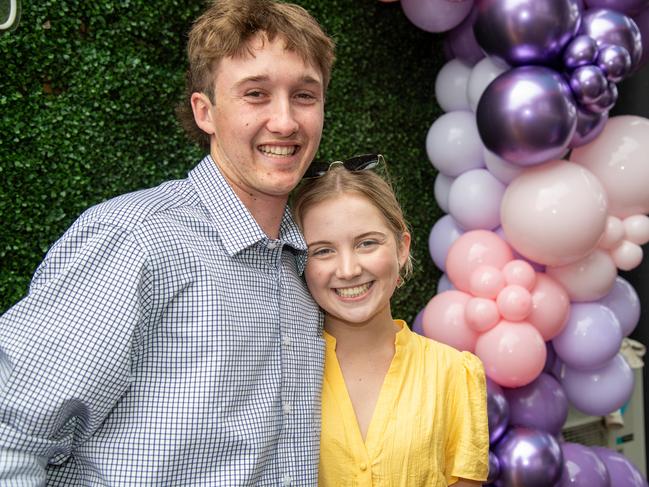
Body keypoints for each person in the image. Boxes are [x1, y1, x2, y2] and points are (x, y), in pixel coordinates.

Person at [0, 0, 334, 484]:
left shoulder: (302, 264)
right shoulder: (135, 240)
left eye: (304, 95)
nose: (284, 122)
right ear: (206, 112)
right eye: (256, 94)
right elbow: (11, 435)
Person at [292, 155, 489, 486]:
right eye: (323, 250)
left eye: (366, 243)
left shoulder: (454, 373)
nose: (348, 269)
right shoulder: (283, 374)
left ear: (401, 248)